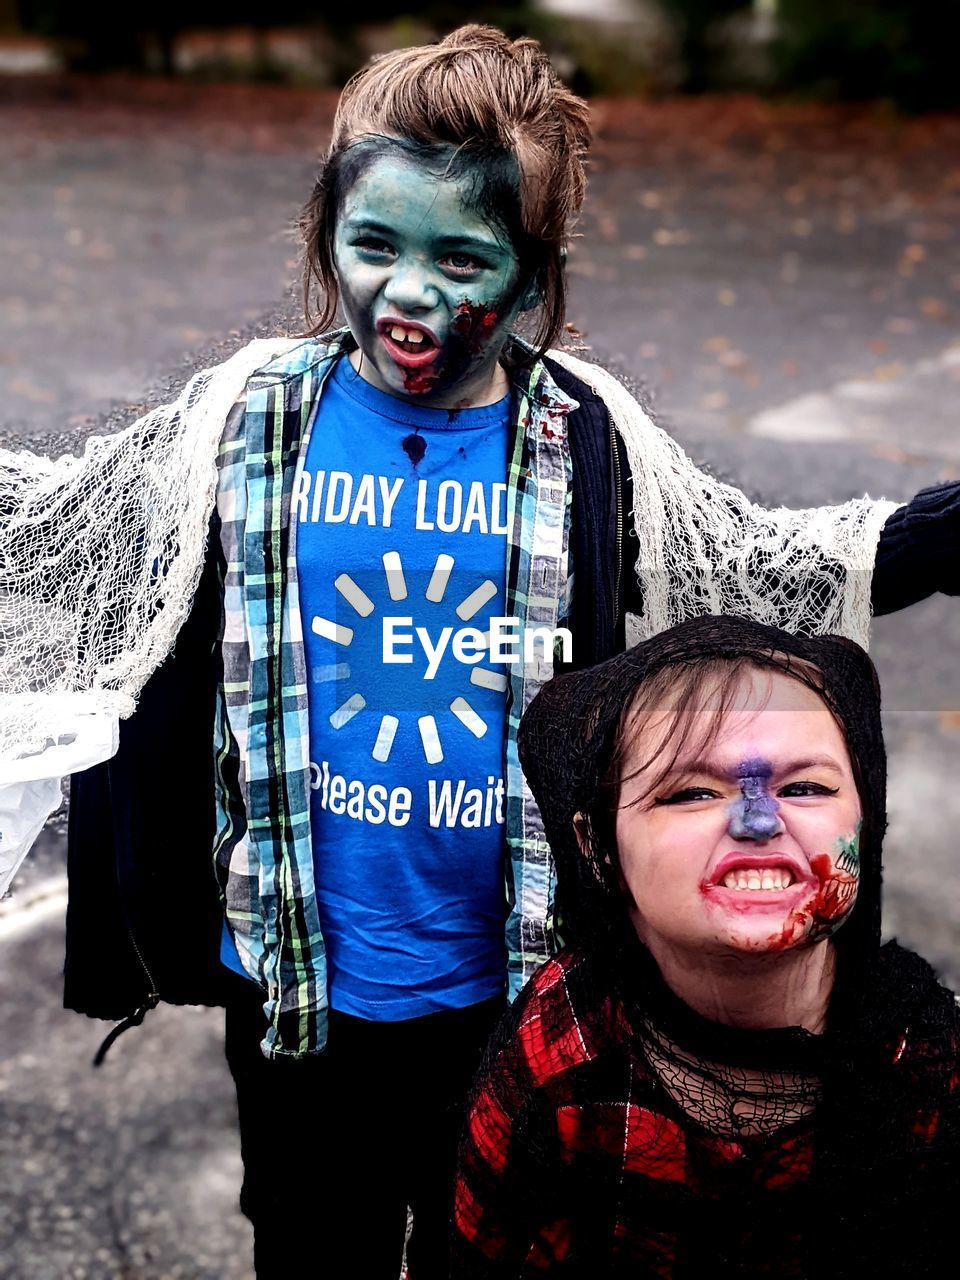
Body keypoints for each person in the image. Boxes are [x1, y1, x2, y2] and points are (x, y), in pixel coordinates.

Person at [0, 21, 954, 1280]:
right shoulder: (243, 419)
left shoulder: (585, 439)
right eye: (374, 243)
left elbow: (763, 560)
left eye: (464, 257)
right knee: (306, 1240)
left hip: (515, 987)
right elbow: (64, 533)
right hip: (294, 981)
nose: (410, 292)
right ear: (324, 232)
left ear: (530, 269)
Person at [453, 614, 960, 1277]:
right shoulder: (560, 1047)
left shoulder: (928, 1064)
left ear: (867, 820)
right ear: (597, 849)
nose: (758, 820)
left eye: (805, 787)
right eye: (691, 792)